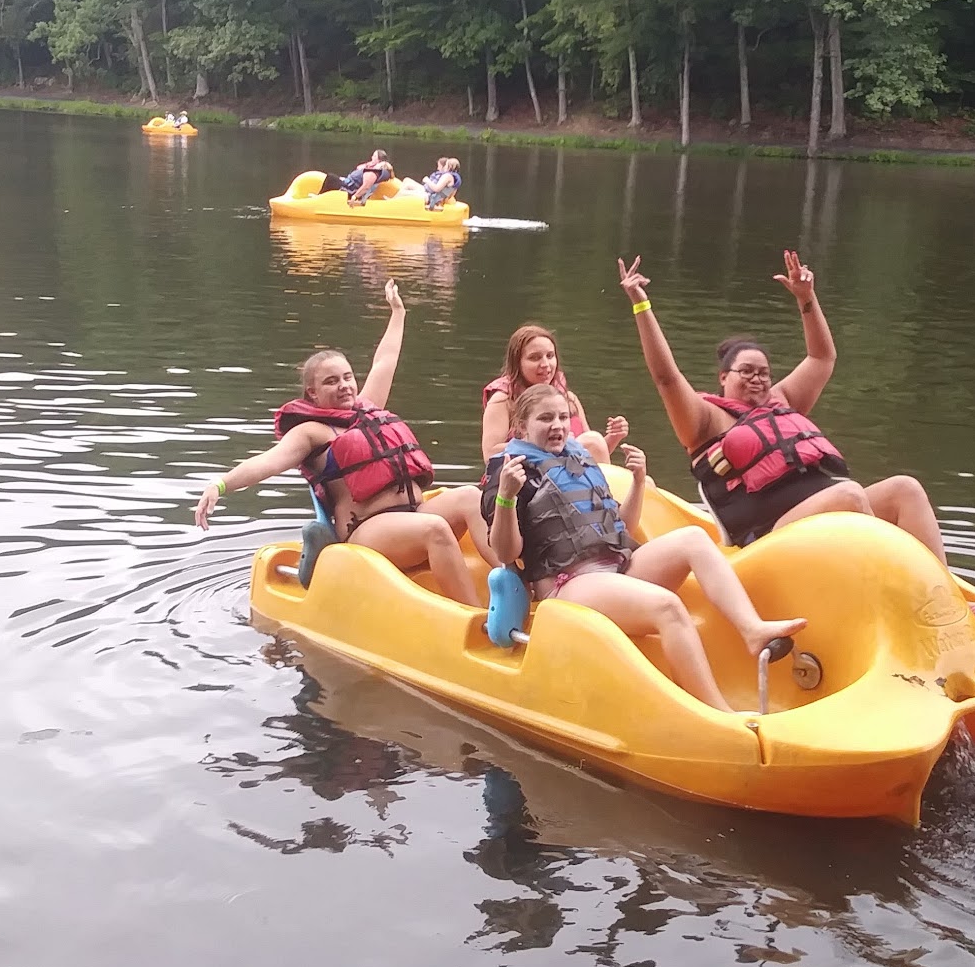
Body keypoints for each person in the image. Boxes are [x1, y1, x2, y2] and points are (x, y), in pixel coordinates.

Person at [615, 249, 975, 620]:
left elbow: (822, 358)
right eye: (746, 371)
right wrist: (639, 304)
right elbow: (666, 377)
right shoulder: (704, 420)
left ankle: (947, 599)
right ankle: (893, 600)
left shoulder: (782, 400)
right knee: (849, 494)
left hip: (827, 515)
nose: (758, 378)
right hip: (766, 540)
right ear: (723, 378)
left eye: (764, 371)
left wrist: (807, 298)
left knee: (905, 488)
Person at [484, 385, 806, 713]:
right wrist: (507, 496)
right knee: (667, 606)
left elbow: (621, 525)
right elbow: (506, 552)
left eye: (564, 417)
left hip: (617, 566)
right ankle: (717, 713)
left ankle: (752, 629)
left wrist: (638, 482)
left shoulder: (576, 456)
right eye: (546, 418)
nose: (558, 425)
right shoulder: (509, 471)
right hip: (568, 584)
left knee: (694, 538)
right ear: (522, 426)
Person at [193, 280, 495, 602]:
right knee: (436, 529)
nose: (345, 386)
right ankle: (474, 619)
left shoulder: (367, 408)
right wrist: (220, 486)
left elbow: (385, 361)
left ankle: (520, 582)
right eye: (331, 381)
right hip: (367, 531)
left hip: (414, 514)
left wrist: (398, 313)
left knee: (468, 496)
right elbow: (266, 463)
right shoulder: (311, 434)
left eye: (348, 377)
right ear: (313, 393)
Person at [481, 322, 627, 467]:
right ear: (518, 363)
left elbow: (591, 452)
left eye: (550, 356)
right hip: (526, 479)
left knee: (595, 440)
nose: (545, 364)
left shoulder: (569, 399)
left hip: (571, 476)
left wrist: (612, 438)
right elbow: (490, 455)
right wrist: (541, 442)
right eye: (535, 358)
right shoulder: (503, 401)